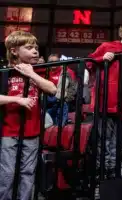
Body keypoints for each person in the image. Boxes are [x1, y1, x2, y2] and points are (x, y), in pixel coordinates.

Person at [0, 31, 57, 200]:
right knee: (7, 173)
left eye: (36, 48)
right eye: (29, 47)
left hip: (31, 131)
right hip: (8, 131)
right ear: (14, 51)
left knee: (28, 172)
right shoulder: (4, 71)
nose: (35, 51)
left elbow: (52, 89)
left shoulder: (38, 71)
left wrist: (31, 74)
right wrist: (17, 100)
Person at [87, 20, 122, 179]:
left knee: (118, 144)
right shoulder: (107, 46)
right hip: (105, 103)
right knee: (103, 144)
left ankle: (111, 177)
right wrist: (102, 58)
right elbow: (89, 63)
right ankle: (101, 178)